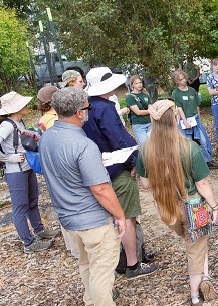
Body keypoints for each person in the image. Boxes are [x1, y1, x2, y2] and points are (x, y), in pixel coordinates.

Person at [40, 87, 126, 305]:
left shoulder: (48, 137)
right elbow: (101, 190)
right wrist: (120, 216)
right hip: (93, 220)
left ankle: (91, 301)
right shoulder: (83, 144)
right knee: (102, 273)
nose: (88, 111)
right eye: (87, 107)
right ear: (79, 113)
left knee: (87, 265)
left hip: (69, 218)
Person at [137, 99, 218, 306]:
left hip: (167, 208)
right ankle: (194, 294)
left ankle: (205, 276)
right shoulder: (189, 147)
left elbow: (145, 184)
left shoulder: (146, 149)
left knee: (197, 243)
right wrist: (214, 206)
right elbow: (201, 183)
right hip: (192, 206)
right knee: (195, 247)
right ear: (174, 119)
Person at [83, 67, 159, 279]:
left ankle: (124, 259)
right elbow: (118, 140)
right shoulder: (105, 108)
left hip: (100, 168)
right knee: (127, 216)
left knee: (117, 216)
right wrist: (134, 161)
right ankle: (133, 265)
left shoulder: (87, 107)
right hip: (118, 168)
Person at [0, 91, 60, 253]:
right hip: (15, 172)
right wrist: (9, 158)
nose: (27, 106)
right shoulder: (7, 125)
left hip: (27, 168)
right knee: (20, 207)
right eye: (23, 104)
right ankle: (29, 243)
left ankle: (39, 230)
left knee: (32, 202)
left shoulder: (19, 122)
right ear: (15, 108)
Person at [36, 85, 80, 258]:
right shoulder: (52, 119)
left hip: (52, 167)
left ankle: (71, 246)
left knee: (61, 204)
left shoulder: (44, 118)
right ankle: (75, 248)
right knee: (69, 204)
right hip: (60, 166)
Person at [173, 70, 218, 170]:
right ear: (176, 81)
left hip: (195, 119)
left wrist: (199, 119)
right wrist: (185, 121)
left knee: (203, 141)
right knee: (189, 143)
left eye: (184, 78)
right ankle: (191, 165)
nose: (183, 81)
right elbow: (179, 108)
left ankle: (208, 161)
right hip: (185, 121)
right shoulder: (176, 93)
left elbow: (197, 105)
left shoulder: (191, 90)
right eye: (180, 80)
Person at [126, 75, 152, 144]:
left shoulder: (146, 95)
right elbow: (138, 112)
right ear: (132, 85)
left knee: (152, 146)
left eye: (140, 82)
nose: (139, 85)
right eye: (136, 83)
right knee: (145, 146)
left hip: (150, 124)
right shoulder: (130, 97)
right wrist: (149, 111)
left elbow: (150, 108)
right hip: (139, 125)